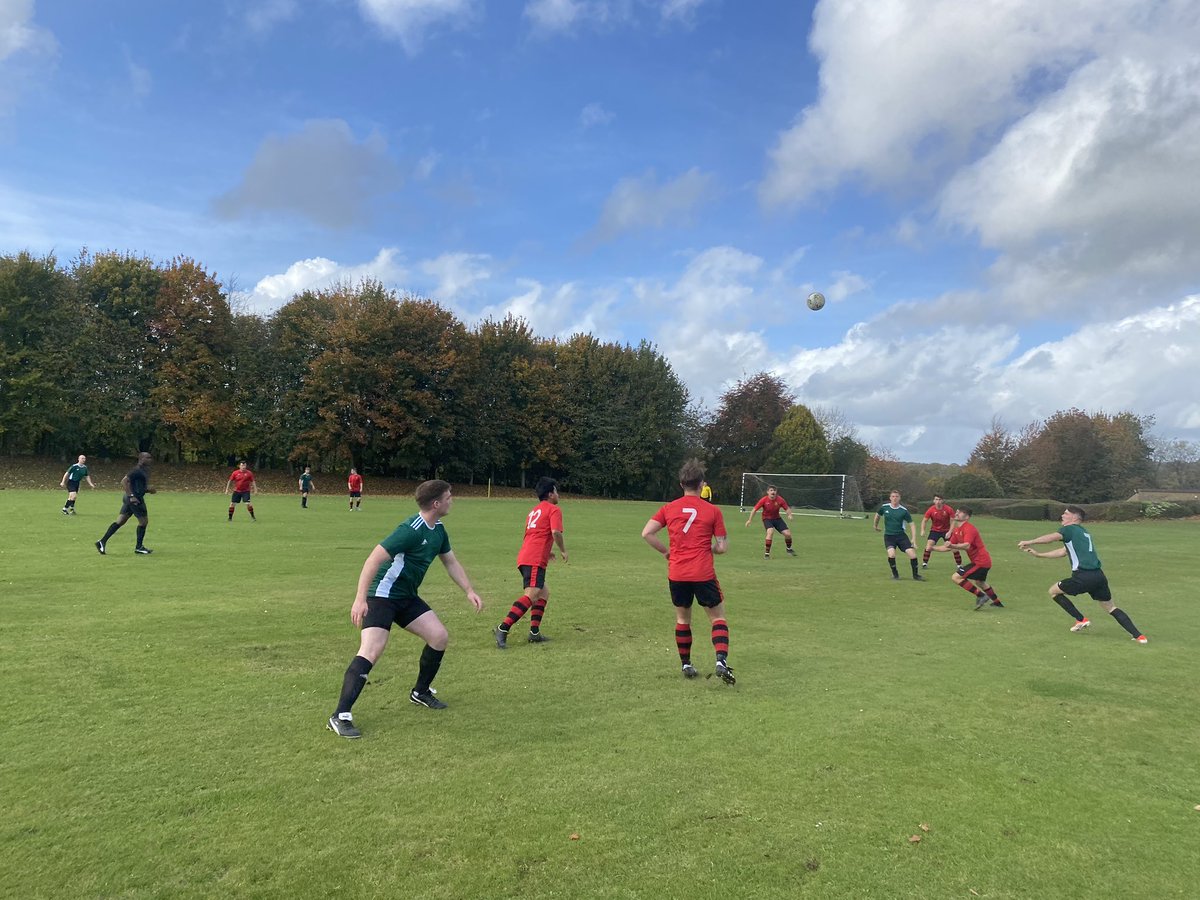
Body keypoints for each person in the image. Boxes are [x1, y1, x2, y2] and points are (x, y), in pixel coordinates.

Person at [328, 480, 485, 738]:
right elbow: (373, 559)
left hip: (406, 597)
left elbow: (451, 562)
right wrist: (360, 599)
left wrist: (469, 590)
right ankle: (340, 715)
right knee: (371, 650)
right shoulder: (411, 530)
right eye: (449, 497)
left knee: (439, 637)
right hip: (382, 596)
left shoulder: (439, 530)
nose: (452, 500)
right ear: (436, 504)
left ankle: (420, 692)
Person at [643, 459, 736, 684]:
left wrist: (666, 552)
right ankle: (720, 661)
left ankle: (686, 664)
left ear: (681, 484)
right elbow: (722, 547)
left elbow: (647, 533)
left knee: (683, 619)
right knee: (718, 617)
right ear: (701, 484)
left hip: (677, 572)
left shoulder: (669, 508)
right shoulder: (712, 511)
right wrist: (712, 547)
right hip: (703, 572)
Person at [1018, 506, 1147, 643]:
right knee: (1110, 607)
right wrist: (1039, 555)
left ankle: (1081, 619)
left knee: (1054, 591)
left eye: (1065, 514)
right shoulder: (1083, 533)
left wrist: (1029, 541)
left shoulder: (1069, 529)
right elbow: (1063, 551)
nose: (1062, 515)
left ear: (1074, 518)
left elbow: (1052, 538)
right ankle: (1139, 636)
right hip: (1099, 576)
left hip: (1083, 576)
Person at [495, 476, 568, 648]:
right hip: (534, 559)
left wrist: (547, 551)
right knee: (532, 595)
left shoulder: (534, 511)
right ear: (550, 494)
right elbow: (556, 532)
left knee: (543, 593)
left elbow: (533, 534)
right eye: (556, 491)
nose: (558, 494)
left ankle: (534, 633)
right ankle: (502, 628)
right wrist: (563, 550)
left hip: (526, 556)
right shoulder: (553, 510)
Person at [933, 506, 1001, 609]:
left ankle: (981, 596)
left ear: (967, 517)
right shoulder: (957, 530)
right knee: (980, 582)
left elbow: (966, 545)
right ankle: (997, 603)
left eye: (960, 512)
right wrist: (933, 548)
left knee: (956, 577)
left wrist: (952, 546)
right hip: (981, 561)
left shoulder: (969, 528)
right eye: (957, 511)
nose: (957, 513)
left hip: (981, 561)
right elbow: (948, 547)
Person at [95, 452, 155, 555]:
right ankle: (139, 547)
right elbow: (124, 481)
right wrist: (132, 496)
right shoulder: (136, 470)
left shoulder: (144, 470)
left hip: (132, 498)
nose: (150, 459)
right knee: (143, 522)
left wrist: (147, 490)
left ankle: (102, 542)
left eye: (150, 457)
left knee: (120, 521)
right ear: (141, 459)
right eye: (148, 458)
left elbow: (137, 486)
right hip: (135, 500)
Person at [873, 489, 924, 580]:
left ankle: (916, 575)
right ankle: (895, 574)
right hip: (889, 536)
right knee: (891, 554)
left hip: (901, 536)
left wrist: (913, 539)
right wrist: (875, 526)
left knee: (913, 555)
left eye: (896, 496)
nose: (894, 498)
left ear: (899, 498)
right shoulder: (885, 507)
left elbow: (912, 524)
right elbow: (878, 515)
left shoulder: (903, 511)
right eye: (893, 496)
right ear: (890, 498)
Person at [744, 485, 796, 559]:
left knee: (788, 534)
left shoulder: (780, 500)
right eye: (771, 490)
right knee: (770, 532)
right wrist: (749, 520)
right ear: (767, 492)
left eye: (774, 490)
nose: (773, 492)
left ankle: (789, 549)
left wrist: (789, 515)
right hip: (767, 519)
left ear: (776, 492)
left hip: (777, 519)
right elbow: (754, 510)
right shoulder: (764, 500)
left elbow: (787, 508)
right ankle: (767, 554)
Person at [920, 494, 962, 570]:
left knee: (954, 547)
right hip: (934, 530)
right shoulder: (931, 510)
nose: (938, 501)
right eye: (936, 499)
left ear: (942, 500)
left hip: (946, 530)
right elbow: (924, 520)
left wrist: (950, 532)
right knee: (928, 546)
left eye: (939, 499)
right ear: (933, 501)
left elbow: (953, 521)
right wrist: (922, 530)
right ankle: (924, 563)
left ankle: (959, 565)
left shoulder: (948, 509)